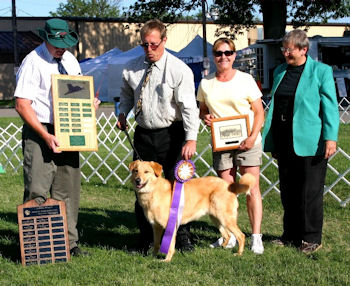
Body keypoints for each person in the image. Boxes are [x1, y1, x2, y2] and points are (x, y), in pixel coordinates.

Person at [14, 19, 100, 257]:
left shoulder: (70, 61)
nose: (62, 48)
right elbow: (22, 105)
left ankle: (69, 244)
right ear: (46, 39)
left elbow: (79, 93)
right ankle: (34, 246)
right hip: (40, 130)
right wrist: (46, 135)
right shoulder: (32, 61)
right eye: (57, 43)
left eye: (65, 43)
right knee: (37, 189)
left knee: (68, 191)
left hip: (69, 130)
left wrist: (89, 103)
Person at [117, 19, 200, 254]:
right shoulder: (131, 68)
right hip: (143, 133)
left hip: (171, 134)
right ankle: (146, 239)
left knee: (176, 189)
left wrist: (191, 138)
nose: (149, 49)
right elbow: (125, 94)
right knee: (140, 187)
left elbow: (188, 107)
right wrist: (123, 112)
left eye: (154, 44)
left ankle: (183, 238)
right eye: (145, 45)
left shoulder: (178, 69)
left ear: (164, 41)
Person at [262, 29, 339, 254]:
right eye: (283, 49)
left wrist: (330, 137)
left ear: (303, 50)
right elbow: (276, 107)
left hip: (310, 141)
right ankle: (290, 235)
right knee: (288, 191)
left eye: (290, 50)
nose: (286, 53)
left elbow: (330, 107)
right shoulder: (279, 71)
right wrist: (273, 141)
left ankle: (311, 237)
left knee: (310, 192)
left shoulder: (321, 71)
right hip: (284, 140)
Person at [197, 38, 265, 254]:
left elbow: (259, 111)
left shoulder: (246, 80)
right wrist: (205, 117)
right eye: (218, 53)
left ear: (234, 55)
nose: (223, 57)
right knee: (226, 192)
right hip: (222, 144)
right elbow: (202, 110)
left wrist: (253, 137)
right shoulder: (206, 83)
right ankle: (230, 235)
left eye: (227, 53)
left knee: (251, 189)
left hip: (249, 141)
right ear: (213, 56)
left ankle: (256, 237)